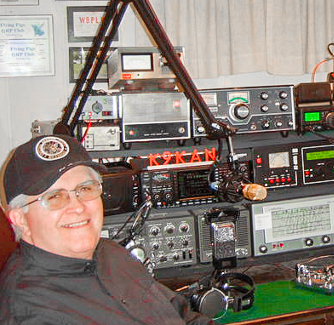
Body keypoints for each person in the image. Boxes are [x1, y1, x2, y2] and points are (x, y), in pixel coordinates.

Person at [0, 135, 213, 325]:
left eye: (85, 188)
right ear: (20, 219)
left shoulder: (110, 252)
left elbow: (181, 314)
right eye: (55, 197)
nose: (77, 207)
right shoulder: (30, 309)